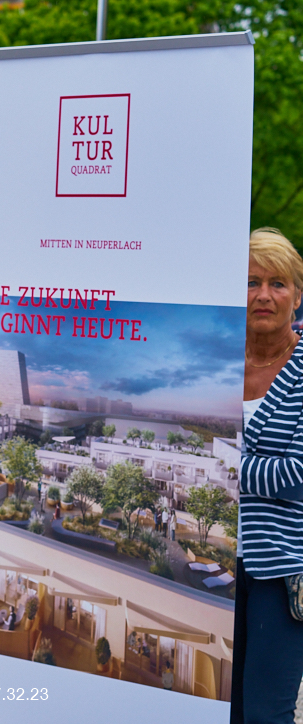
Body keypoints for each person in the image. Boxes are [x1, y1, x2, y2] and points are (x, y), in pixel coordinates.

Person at [231, 226, 303, 724]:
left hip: (280, 575)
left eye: (278, 283)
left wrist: (222, 468)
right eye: (251, 281)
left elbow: (299, 474)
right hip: (217, 570)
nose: (263, 295)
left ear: (298, 295)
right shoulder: (216, 365)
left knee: (264, 716)